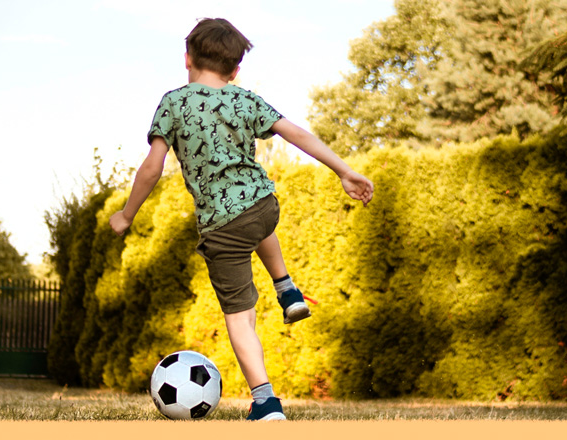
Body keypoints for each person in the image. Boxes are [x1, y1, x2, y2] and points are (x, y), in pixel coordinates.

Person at [110, 18, 373, 421]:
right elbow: (297, 134)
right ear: (235, 70)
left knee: (240, 318)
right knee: (256, 220)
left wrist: (128, 215)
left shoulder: (174, 103)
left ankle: (265, 401)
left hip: (221, 228)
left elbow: (151, 168)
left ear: (187, 59)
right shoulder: (245, 100)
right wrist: (343, 170)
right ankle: (286, 288)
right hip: (264, 205)